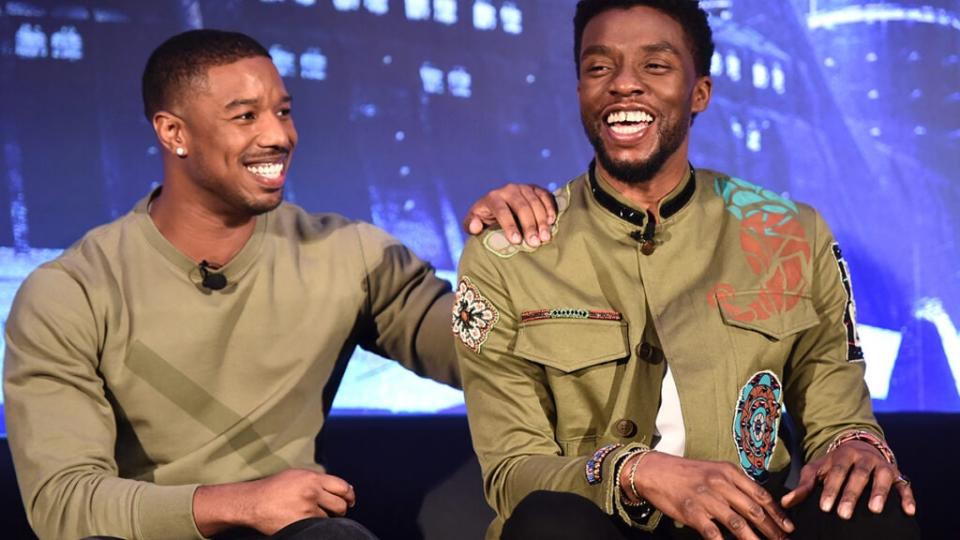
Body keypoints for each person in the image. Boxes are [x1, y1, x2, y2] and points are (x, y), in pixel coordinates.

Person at [2, 29, 553, 540]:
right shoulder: (69, 292)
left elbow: (486, 355)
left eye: (283, 111)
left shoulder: (349, 256)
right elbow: (64, 503)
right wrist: (240, 503)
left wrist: (506, 254)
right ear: (174, 133)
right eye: (245, 116)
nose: (278, 135)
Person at [453, 1, 920, 539]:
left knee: (870, 509)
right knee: (546, 522)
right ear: (580, 89)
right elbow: (511, 472)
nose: (623, 85)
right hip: (593, 525)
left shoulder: (790, 232)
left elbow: (837, 414)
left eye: (655, 66)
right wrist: (634, 473)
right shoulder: (509, 251)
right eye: (599, 67)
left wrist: (854, 448)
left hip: (749, 526)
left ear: (700, 92)